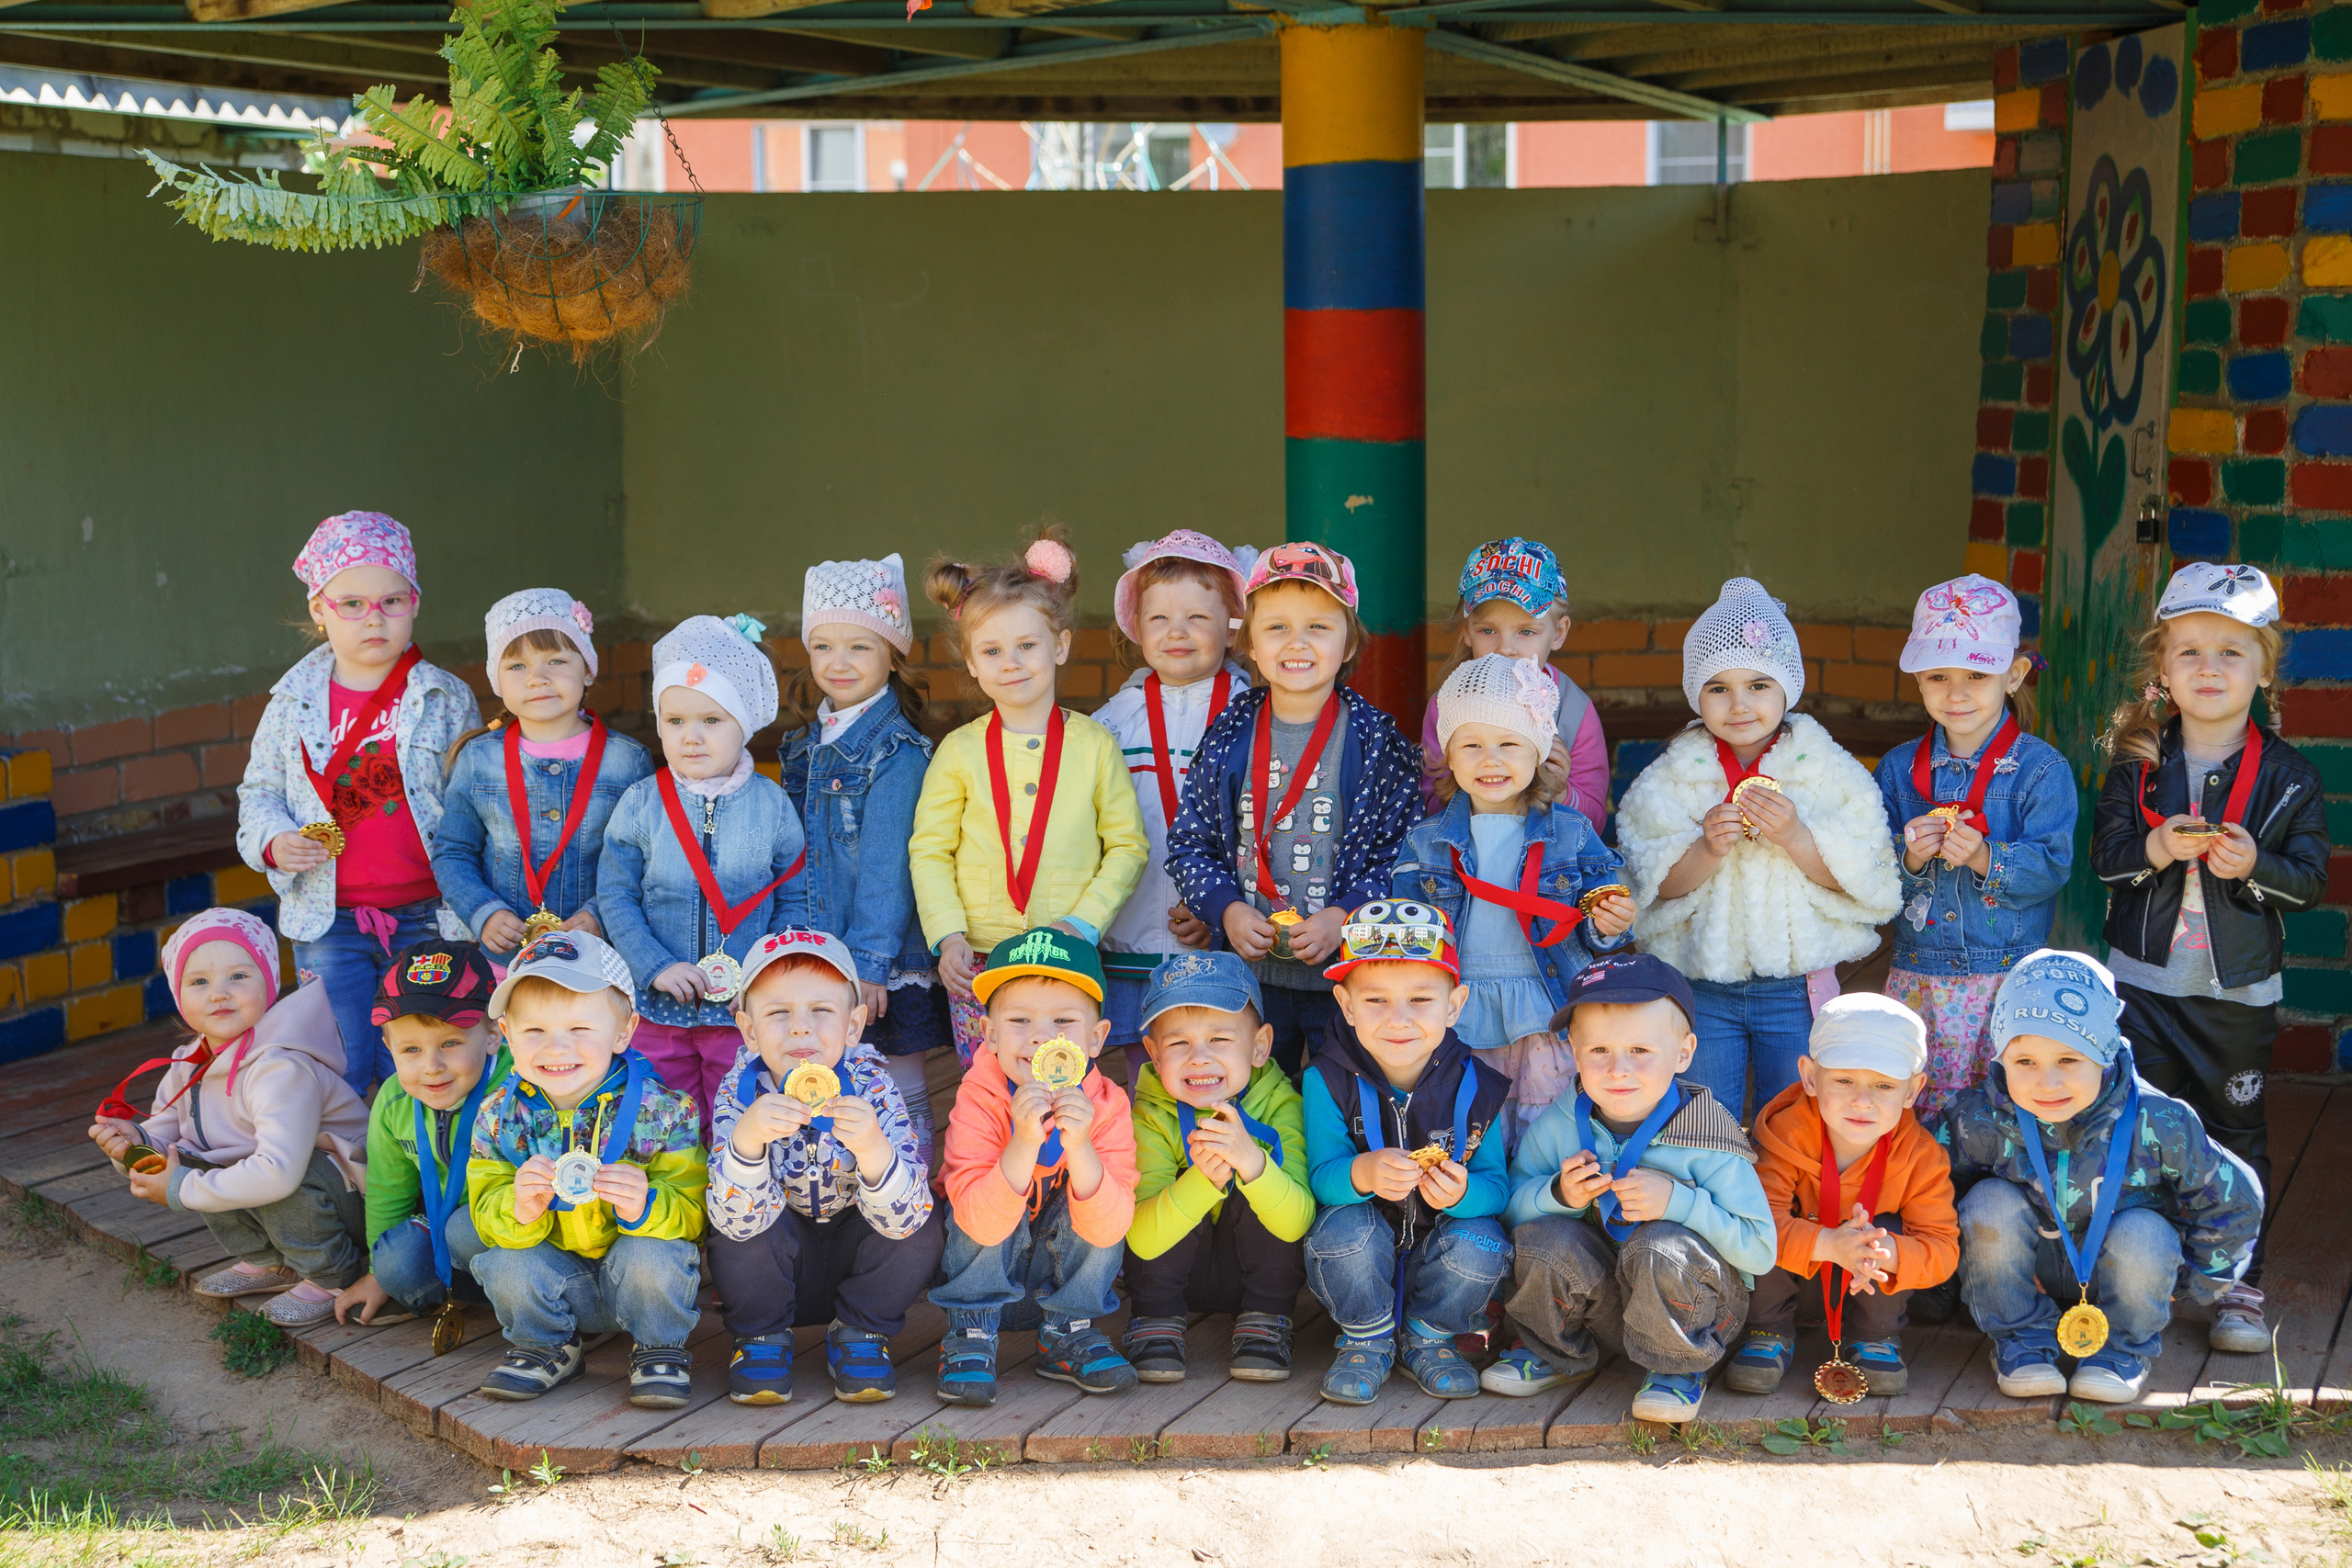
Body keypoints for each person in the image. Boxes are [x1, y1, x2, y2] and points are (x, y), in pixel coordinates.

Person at [2091, 562, 2328, 1353]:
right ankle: (2138, 1279)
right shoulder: (2137, 759)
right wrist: (2157, 845)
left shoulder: (2290, 777)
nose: (2210, 668)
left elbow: (2311, 883)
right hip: (2144, 986)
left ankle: (2234, 1286)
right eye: (2189, 651)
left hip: (2237, 995)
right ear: (2163, 668)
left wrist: (2255, 864)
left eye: (2232, 651)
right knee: (2138, 1129)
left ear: (2265, 667)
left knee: (2234, 1134)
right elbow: (2107, 861)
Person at [1616, 578, 1901, 1121]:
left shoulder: (1825, 767)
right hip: (1701, 984)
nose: (1739, 703)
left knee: (1792, 1119)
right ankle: (1713, 1202)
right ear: (1694, 694)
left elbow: (1864, 874)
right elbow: (1647, 885)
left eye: (1759, 684)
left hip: (1796, 986)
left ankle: (1783, 1206)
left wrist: (1796, 837)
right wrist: (1704, 848)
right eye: (1718, 688)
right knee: (1703, 1118)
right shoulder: (1673, 774)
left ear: (1789, 687)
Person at [1938, 950, 2263, 1404]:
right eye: (2025, 1062)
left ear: (2105, 1052)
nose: (2047, 1083)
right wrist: (1939, 1273)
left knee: (2145, 1230)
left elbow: (2233, 1198)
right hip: (2032, 1266)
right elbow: (1926, 1187)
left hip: (2126, 1268)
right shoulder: (1980, 1119)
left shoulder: (2159, 1121)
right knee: (1989, 1201)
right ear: (2000, 1058)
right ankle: (2019, 1339)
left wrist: (2192, 1282)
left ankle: (2123, 1350)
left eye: (2069, 1060)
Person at [237, 512, 480, 1100]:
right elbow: (260, 792)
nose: (374, 617)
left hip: (431, 915)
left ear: (415, 602)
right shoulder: (291, 704)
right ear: (320, 609)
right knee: (342, 1059)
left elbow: (476, 805)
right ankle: (357, 1181)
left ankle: (428, 1177)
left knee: (429, 1060)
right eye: (352, 603)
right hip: (329, 920)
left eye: (391, 601)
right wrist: (272, 841)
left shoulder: (446, 697)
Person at [1167, 542, 1423, 1077]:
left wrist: (1346, 914)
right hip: (1247, 976)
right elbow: (1190, 842)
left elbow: (1405, 849)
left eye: (1319, 627)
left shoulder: (1377, 740)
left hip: (1352, 974)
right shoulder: (1229, 733)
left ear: (1350, 641)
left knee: (1347, 1100)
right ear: (1250, 644)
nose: (1297, 643)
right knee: (1255, 1102)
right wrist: (1226, 910)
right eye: (1277, 627)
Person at [1487, 953, 1774, 1427]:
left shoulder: (1708, 1131)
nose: (1618, 1069)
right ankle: (1555, 1353)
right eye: (1598, 1051)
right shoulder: (1563, 1118)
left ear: (1683, 1053)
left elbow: (1760, 1251)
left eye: (1641, 1050)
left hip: (1697, 1312)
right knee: (1542, 1239)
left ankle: (1676, 1370)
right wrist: (1557, 1194)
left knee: (1662, 1243)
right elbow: (1511, 1209)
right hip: (1606, 1305)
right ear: (1575, 1055)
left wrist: (1679, 1203)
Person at [911, 526, 1149, 1067]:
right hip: (978, 957)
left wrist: (1083, 923)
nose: (1011, 662)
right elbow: (929, 851)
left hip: (1066, 952)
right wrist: (947, 936)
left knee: (1065, 1082)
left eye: (1027, 645)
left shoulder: (1094, 745)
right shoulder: (956, 751)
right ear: (971, 662)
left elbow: (1128, 846)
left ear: (1060, 646)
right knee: (986, 1085)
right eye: (992, 650)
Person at [89, 909, 371, 1328]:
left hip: (351, 1197)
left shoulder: (281, 1067)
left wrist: (181, 1187)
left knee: (273, 1175)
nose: (219, 993)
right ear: (178, 994)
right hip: (291, 1188)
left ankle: (333, 1274)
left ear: (269, 984)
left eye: (239, 976)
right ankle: (273, 1262)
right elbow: (166, 1137)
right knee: (187, 1157)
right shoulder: (188, 1062)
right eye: (199, 981)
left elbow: (279, 1174)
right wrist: (130, 1143)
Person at [1396, 653, 1637, 1138]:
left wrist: (1610, 922)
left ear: (1539, 753)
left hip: (1543, 1009)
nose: (1491, 759)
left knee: (1546, 1130)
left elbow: (1602, 911)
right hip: (1459, 1011)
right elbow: (1407, 936)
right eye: (1471, 745)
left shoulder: (1571, 832)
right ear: (1448, 754)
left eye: (1510, 743)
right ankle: (1481, 1209)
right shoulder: (1425, 841)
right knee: (1469, 1127)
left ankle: (1536, 1210)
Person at [468, 931, 708, 1408]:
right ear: (508, 1036)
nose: (556, 1048)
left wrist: (648, 1204)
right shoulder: (497, 1114)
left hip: (636, 1277)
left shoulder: (665, 1110)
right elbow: (483, 1210)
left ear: (623, 1032)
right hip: (557, 1278)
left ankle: (659, 1346)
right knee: (505, 1260)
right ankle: (547, 1345)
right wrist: (517, 1205)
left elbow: (695, 1213)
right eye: (534, 1031)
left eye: (580, 1030)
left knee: (655, 1254)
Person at [706, 929, 944, 1405]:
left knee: (924, 1224)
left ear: (854, 1026)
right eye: (778, 1013)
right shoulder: (740, 1091)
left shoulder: (874, 1086)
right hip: (777, 1268)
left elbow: (908, 1214)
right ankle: (760, 1339)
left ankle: (860, 1333)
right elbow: (733, 1218)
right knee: (728, 1217)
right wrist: (748, 1142)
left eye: (821, 1011)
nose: (800, 1028)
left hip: (856, 1261)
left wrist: (874, 1147)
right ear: (749, 1030)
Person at [600, 613, 808, 1139]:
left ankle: (732, 1207)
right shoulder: (641, 804)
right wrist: (654, 966)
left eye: (711, 721)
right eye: (675, 721)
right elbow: (615, 896)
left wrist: (764, 976)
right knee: (659, 1121)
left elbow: (794, 896)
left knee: (737, 1113)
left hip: (741, 1010)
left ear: (746, 723)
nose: (690, 737)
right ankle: (677, 1210)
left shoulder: (772, 803)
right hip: (656, 1009)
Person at [1873, 574, 2075, 1120]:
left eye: (1977, 674)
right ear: (1917, 679)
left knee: (2003, 1112)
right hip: (1919, 976)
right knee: (1917, 1113)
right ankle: (1926, 1206)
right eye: (1937, 675)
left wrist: (1987, 857)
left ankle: (1991, 1205)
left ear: (2014, 674)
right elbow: (1869, 879)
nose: (1956, 692)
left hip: (2007, 976)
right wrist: (1909, 856)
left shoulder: (2042, 770)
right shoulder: (1896, 770)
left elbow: (2053, 867)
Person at [1301, 903, 1511, 1405]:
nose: (1398, 1019)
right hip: (1360, 1255)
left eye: (1421, 999)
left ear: (1454, 1005)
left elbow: (1498, 1188)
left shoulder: (1479, 1086)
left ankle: (1430, 1335)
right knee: (1341, 1228)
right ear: (1346, 1007)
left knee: (1484, 1239)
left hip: (1441, 1252)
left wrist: (1462, 1193)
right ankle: (1365, 1336)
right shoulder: (1324, 1079)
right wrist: (1362, 1171)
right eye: (1375, 1000)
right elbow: (1320, 1180)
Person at [779, 556, 947, 1162]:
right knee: (837, 1080)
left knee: (895, 1085)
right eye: (823, 646)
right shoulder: (805, 743)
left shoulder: (896, 751)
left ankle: (909, 1189)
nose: (838, 662)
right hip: (822, 951)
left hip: (880, 961)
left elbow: (887, 866)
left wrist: (871, 963)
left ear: (894, 654)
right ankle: (848, 1191)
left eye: (859, 646)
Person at [931, 927, 1140, 1405]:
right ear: (989, 1033)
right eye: (1020, 1020)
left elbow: (1110, 1226)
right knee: (982, 1190)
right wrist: (1022, 1145)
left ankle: (1068, 1331)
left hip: (1056, 1279)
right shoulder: (978, 1095)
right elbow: (978, 1220)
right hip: (981, 1277)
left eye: (1064, 1021)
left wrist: (1081, 1145)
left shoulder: (1107, 1105)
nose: (1042, 1038)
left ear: (1096, 1038)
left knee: (1102, 1192)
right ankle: (970, 1336)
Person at [1724, 994, 1958, 1397]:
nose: (1862, 1100)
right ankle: (1767, 1330)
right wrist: (1830, 1244)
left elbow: (1943, 1248)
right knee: (1762, 1220)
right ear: (1810, 1077)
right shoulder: (1784, 1136)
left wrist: (1887, 1253)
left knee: (1884, 1230)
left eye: (1884, 1085)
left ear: (1912, 1090)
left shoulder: (1922, 1157)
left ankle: (1874, 1336)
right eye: (1844, 1080)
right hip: (1792, 1280)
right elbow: (1751, 1226)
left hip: (1866, 1284)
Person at [1091, 531, 1254, 1080]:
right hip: (1134, 928)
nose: (1177, 633)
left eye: (1197, 619)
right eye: (1159, 619)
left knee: (1217, 1061)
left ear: (1233, 625)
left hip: (1223, 930)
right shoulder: (1111, 723)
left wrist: (1217, 907)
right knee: (1148, 1067)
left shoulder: (1254, 714)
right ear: (1137, 627)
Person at [1121, 950, 1312, 1384]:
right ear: (1152, 1051)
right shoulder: (1147, 1115)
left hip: (1259, 1280)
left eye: (1220, 1040)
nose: (1199, 1058)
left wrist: (1253, 1164)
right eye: (1178, 1042)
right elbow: (1141, 1238)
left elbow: (1299, 1221)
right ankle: (1154, 1318)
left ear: (1260, 1046)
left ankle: (1266, 1318)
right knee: (1154, 1195)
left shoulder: (1284, 1104)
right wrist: (1201, 1182)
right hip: (1168, 1283)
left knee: (1264, 1174)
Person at [432, 588, 652, 954]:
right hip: (505, 957)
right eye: (517, 666)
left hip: (598, 954)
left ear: (587, 671)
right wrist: (482, 912)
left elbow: (645, 859)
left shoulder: (628, 760)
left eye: (556, 661)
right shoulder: (478, 759)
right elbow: (453, 851)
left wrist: (602, 913)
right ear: (497, 682)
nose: (537, 678)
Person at [334, 939, 510, 1326]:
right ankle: (469, 1296)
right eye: (411, 1050)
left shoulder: (521, 1086)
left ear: (494, 1034)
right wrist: (377, 1274)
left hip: (523, 1228)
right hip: (449, 1226)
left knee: (468, 1232)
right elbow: (387, 1189)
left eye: (450, 1043)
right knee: (396, 1267)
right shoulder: (394, 1101)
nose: (432, 1066)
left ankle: (539, 1298)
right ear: (388, 1046)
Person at [1418, 537, 1610, 828]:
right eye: (1487, 630)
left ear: (1559, 632)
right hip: (1464, 865)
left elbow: (1595, 821)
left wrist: (1561, 792)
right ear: (1466, 632)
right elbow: (1430, 807)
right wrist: (1476, 786)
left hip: (1553, 868)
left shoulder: (1574, 709)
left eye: (1526, 632)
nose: (1505, 648)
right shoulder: (1447, 704)